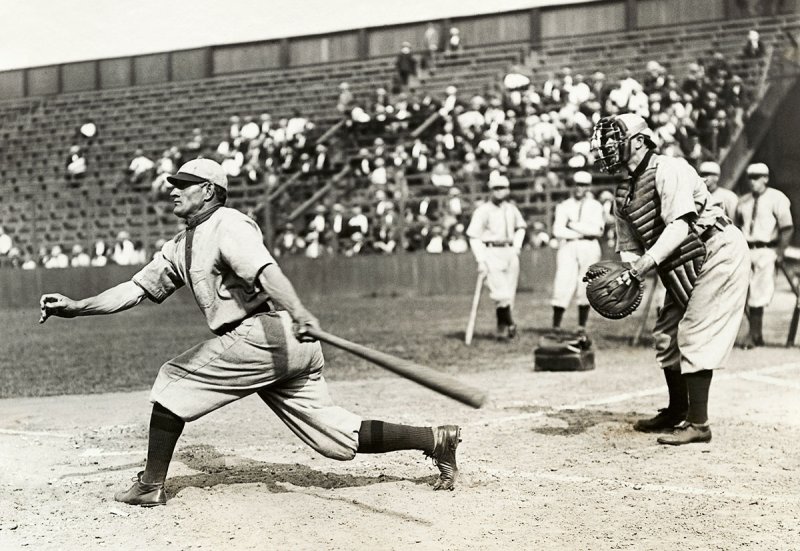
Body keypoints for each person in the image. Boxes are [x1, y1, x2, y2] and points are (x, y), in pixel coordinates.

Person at [39, 158, 462, 507]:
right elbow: (135, 289)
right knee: (335, 437)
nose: (173, 189)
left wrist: (299, 310)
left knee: (173, 380)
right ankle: (435, 439)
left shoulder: (229, 225)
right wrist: (78, 308)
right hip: (285, 345)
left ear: (209, 191)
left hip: (264, 332)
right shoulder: (180, 245)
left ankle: (150, 486)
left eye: (184, 184)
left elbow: (265, 270)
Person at [591, 113, 750, 445]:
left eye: (613, 137)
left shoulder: (669, 168)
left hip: (715, 246)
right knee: (666, 333)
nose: (606, 145)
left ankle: (699, 423)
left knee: (694, 331)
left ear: (638, 141)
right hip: (680, 258)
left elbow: (679, 226)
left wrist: (643, 267)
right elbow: (630, 248)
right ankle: (677, 410)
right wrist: (622, 275)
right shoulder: (623, 192)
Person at [734, 163, 794, 347]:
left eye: (757, 177)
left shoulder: (777, 198)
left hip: (767, 249)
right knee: (742, 291)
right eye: (750, 177)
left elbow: (787, 227)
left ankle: (753, 335)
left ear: (765, 178)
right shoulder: (743, 201)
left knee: (759, 293)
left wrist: (780, 252)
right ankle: (756, 334)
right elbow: (737, 226)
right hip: (747, 249)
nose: (752, 182)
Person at [466, 174, 526, 340]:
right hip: (491, 251)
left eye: (503, 188)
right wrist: (481, 259)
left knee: (508, 295)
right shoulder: (483, 211)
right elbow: (473, 236)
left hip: (509, 251)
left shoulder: (511, 209)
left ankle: (501, 329)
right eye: (496, 188)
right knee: (501, 294)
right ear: (490, 190)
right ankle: (511, 325)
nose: (500, 192)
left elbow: (521, 227)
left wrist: (517, 246)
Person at [550, 171, 605, 331]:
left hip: (589, 246)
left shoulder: (596, 206)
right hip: (569, 246)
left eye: (584, 185)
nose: (580, 188)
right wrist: (581, 231)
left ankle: (581, 325)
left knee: (587, 283)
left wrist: (573, 224)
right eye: (578, 184)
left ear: (589, 186)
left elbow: (597, 231)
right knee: (563, 282)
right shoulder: (564, 205)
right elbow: (558, 230)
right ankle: (556, 326)